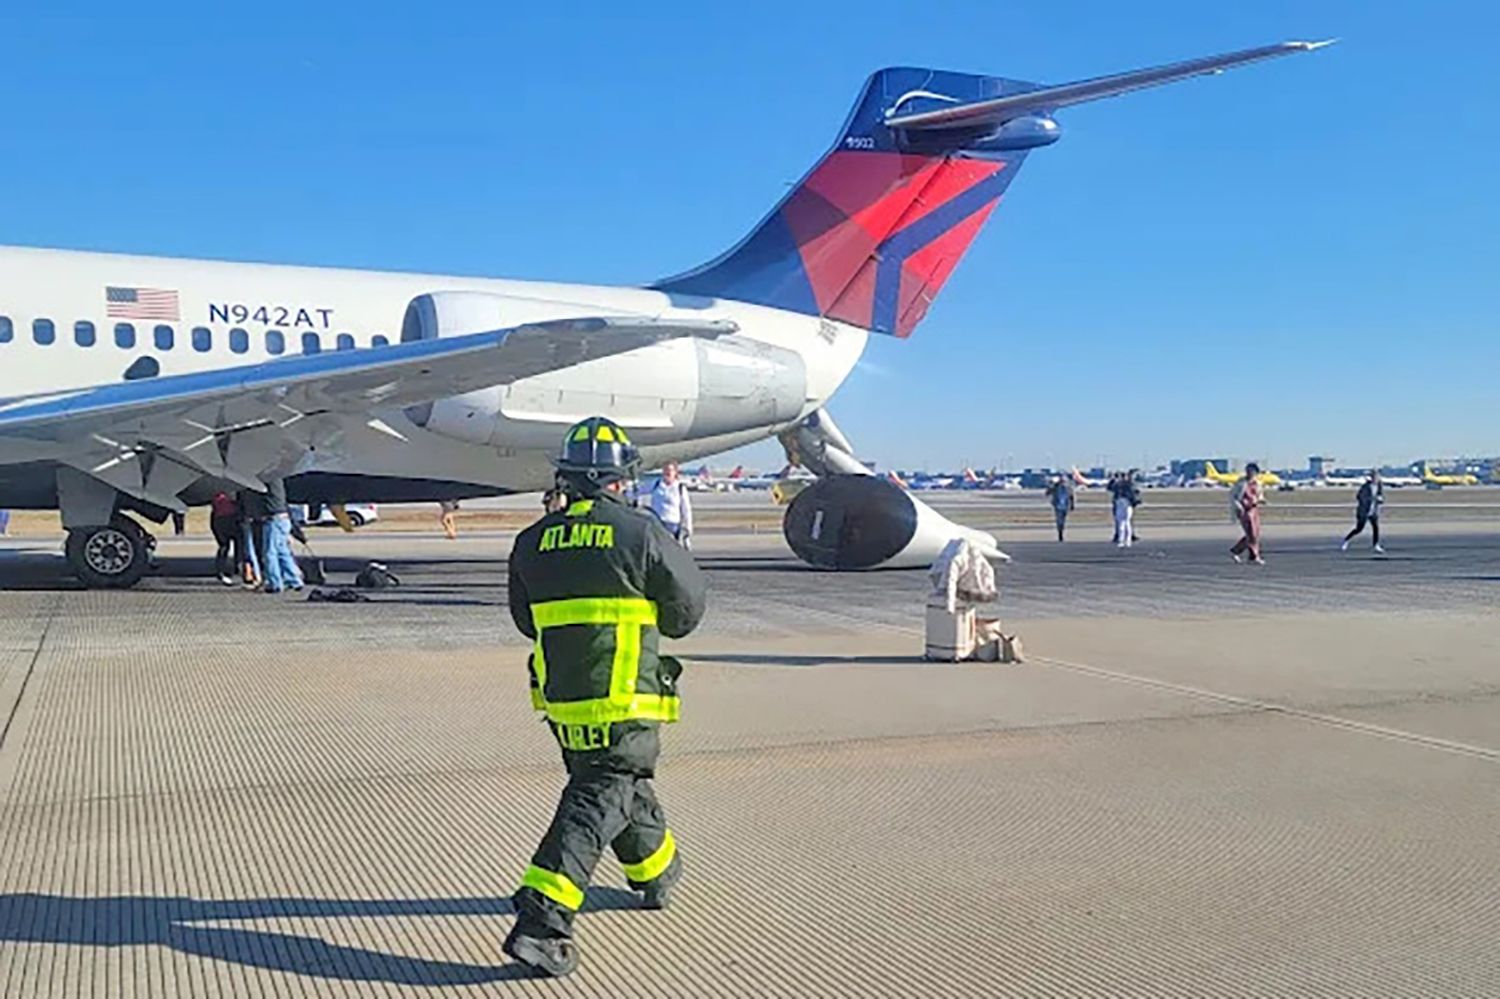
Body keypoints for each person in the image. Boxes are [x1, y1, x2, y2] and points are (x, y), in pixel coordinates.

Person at [503, 416, 707, 978]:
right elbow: (687, 611)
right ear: (622, 478)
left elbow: (525, 621)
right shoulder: (640, 533)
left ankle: (655, 872)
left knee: (615, 783)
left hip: (563, 701)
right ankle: (543, 921)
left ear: (566, 477)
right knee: (600, 795)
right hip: (625, 699)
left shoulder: (531, 542)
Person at [260, 478, 304, 593]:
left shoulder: (267, 481)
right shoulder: (277, 480)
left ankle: (275, 583)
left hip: (273, 519)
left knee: (270, 552)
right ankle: (294, 580)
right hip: (283, 518)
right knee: (282, 551)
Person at [647, 461, 693, 546]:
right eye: (665, 470)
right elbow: (638, 490)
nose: (667, 472)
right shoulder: (656, 484)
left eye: (670, 470)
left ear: (675, 472)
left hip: (672, 524)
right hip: (657, 523)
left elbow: (686, 510)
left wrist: (688, 528)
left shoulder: (680, 488)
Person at [1230, 463, 1266, 564]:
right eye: (1248, 470)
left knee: (1255, 534)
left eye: (1252, 471)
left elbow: (1259, 495)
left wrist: (1261, 500)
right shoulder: (1241, 483)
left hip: (1254, 509)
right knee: (1251, 533)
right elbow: (1233, 496)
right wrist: (1238, 506)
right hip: (1244, 510)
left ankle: (1237, 551)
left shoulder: (1257, 483)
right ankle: (1253, 556)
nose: (1250, 473)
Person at [1342, 470, 1386, 553]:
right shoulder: (1366, 486)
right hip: (1364, 511)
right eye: (1374, 476)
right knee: (1359, 529)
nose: (1376, 478)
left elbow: (1381, 496)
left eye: (1377, 476)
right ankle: (1346, 540)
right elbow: (1359, 497)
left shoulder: (1379, 486)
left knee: (1376, 528)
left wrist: (1380, 500)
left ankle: (1376, 545)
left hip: (1374, 511)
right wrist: (1369, 500)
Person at [209, 491, 240, 585]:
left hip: (220, 519)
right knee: (236, 545)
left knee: (225, 546)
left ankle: (221, 569)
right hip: (230, 518)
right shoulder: (234, 491)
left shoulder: (216, 493)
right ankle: (237, 568)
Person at [238, 488, 266, 588]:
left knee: (249, 549)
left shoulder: (243, 488)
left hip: (248, 518)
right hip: (257, 518)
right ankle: (256, 574)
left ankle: (254, 575)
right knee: (257, 548)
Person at [1107, 472, 1138, 548]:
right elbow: (1110, 488)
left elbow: (1134, 493)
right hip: (1121, 503)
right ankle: (1123, 540)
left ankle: (1126, 540)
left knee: (1125, 522)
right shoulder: (1121, 484)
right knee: (1123, 523)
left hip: (1124, 504)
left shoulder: (1126, 484)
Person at [1045, 474, 1074, 542]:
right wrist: (1052, 486)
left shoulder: (1067, 488)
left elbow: (1071, 496)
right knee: (1059, 520)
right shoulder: (1056, 487)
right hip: (1058, 506)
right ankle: (1060, 533)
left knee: (1063, 521)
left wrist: (1072, 505)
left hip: (1065, 506)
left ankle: (1061, 531)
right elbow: (1047, 493)